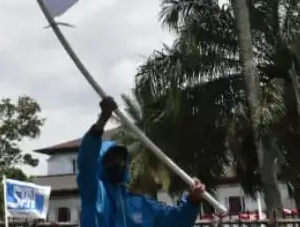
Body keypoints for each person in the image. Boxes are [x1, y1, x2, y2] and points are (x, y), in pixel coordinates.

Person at [77, 97, 205, 227]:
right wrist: (102, 121)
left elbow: (175, 220)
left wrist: (192, 201)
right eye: (111, 160)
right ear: (101, 164)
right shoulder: (94, 192)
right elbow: (86, 161)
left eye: (121, 160)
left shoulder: (141, 205)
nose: (118, 164)